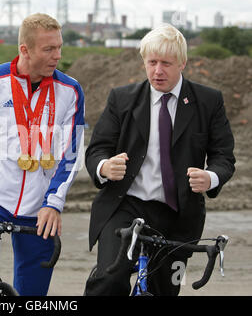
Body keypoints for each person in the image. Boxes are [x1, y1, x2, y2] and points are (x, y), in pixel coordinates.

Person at [84, 24, 235, 296]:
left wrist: (210, 177)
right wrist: (104, 166)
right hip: (125, 206)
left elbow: (224, 156)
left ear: (183, 63)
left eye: (166, 63)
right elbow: (96, 150)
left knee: (165, 290)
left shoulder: (208, 101)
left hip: (177, 214)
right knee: (109, 280)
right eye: (151, 62)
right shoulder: (122, 99)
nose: (157, 71)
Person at [0, 13, 85, 296]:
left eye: (59, 47)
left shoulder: (70, 90)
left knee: (34, 288)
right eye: (49, 49)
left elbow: (70, 153)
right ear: (24, 49)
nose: (57, 55)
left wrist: (54, 202)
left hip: (40, 204)